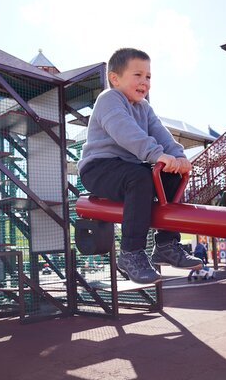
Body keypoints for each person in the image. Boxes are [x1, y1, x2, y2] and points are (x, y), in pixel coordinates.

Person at [77, 48, 203, 284]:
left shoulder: (144, 108)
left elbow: (162, 135)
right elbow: (125, 131)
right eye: (138, 75)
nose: (144, 82)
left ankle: (167, 244)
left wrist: (178, 157)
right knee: (139, 177)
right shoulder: (109, 99)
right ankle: (130, 253)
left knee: (172, 178)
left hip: (128, 169)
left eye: (148, 77)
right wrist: (155, 154)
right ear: (115, 78)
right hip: (99, 168)